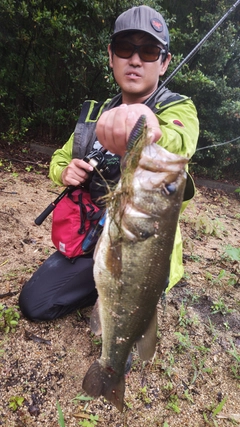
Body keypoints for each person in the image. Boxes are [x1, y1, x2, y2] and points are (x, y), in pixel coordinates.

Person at [19, 5, 199, 322]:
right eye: (125, 48)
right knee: (34, 304)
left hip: (142, 245)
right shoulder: (94, 114)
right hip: (94, 235)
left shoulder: (180, 109)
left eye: (149, 51)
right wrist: (65, 171)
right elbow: (60, 157)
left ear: (164, 62)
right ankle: (100, 283)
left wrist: (148, 127)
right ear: (111, 56)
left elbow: (179, 141)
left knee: (124, 333)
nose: (135, 59)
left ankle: (137, 294)